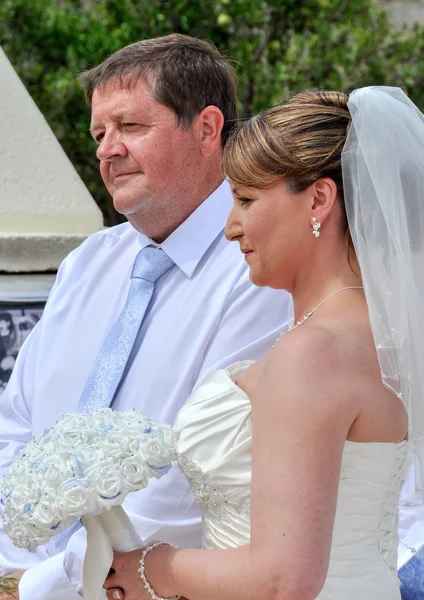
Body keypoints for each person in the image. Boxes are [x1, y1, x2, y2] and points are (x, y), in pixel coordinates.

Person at [0, 35, 291, 600]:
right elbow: (17, 424)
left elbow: (192, 483)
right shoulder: (88, 262)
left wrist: (36, 585)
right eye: (98, 134)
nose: (107, 150)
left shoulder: (259, 271)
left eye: (130, 127)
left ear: (208, 130)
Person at [103, 86, 424, 600]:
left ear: (319, 198)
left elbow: (283, 578)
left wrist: (153, 568)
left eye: (247, 200)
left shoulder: (314, 352)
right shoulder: (378, 336)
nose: (231, 228)